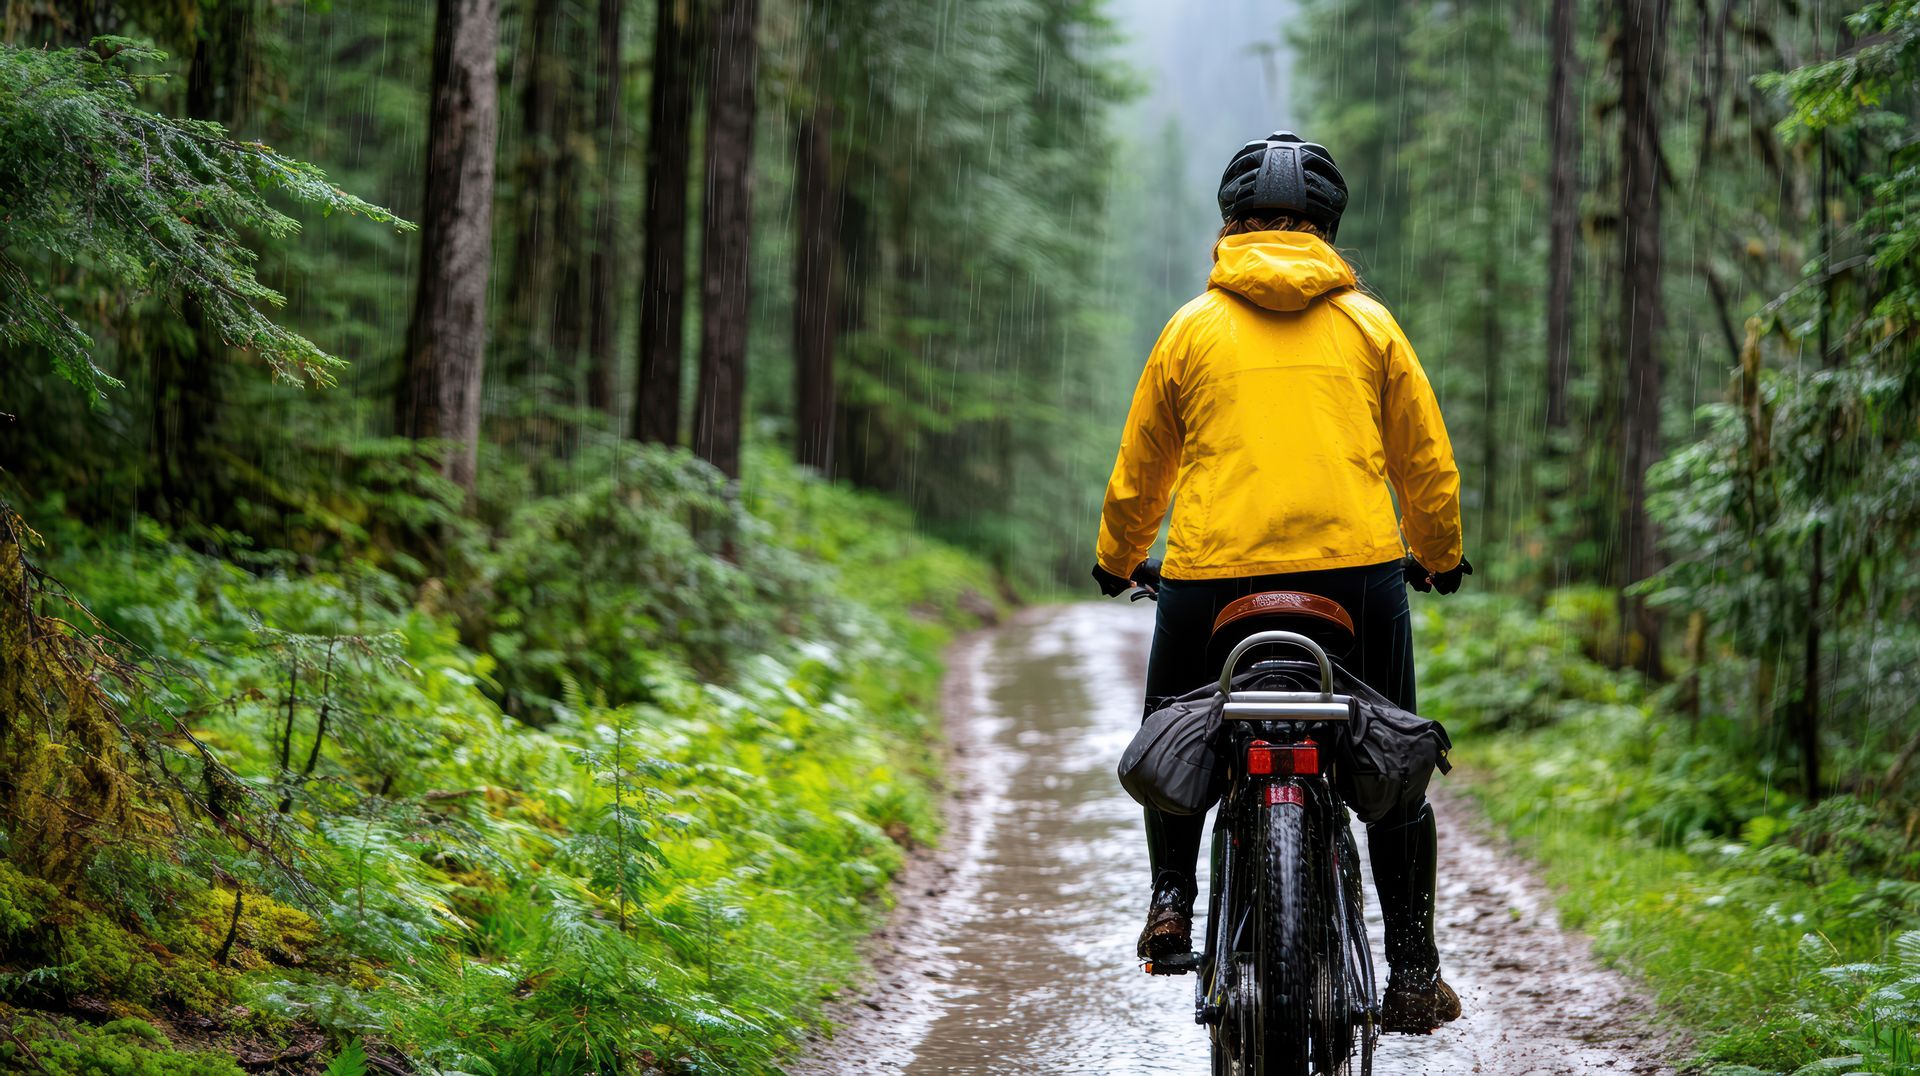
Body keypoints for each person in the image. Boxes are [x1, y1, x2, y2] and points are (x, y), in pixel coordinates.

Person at [1092, 131, 1470, 1034]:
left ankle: (1172, 902)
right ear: (1328, 228)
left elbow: (1141, 469)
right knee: (1393, 762)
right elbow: (1426, 465)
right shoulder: (1371, 325)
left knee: (1174, 732)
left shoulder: (1190, 327)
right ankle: (1413, 970)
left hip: (1213, 579)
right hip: (1357, 574)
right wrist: (1440, 555)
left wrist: (1117, 559)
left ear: (1231, 224)